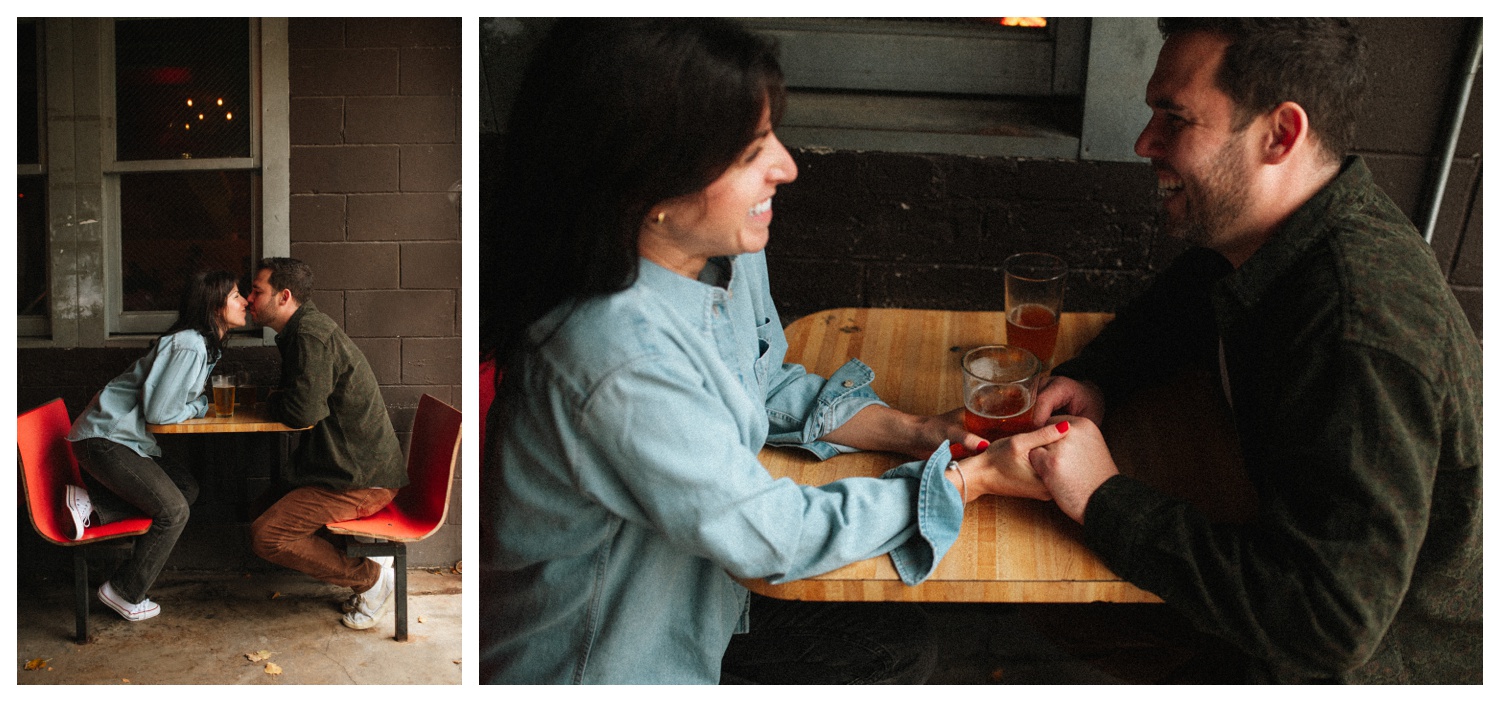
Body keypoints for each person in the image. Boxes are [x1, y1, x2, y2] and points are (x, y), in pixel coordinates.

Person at [480, 18, 1066, 684]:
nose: (786, 167)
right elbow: (772, 539)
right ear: (646, 182)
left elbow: (760, 381)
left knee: (893, 643)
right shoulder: (615, 356)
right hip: (611, 668)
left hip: (708, 600)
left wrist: (920, 432)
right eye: (748, 151)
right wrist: (969, 481)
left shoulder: (714, 256)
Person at [1027, 18, 1481, 683]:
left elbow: (1328, 623)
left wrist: (1103, 496)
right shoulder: (1279, 227)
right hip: (1276, 549)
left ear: (1280, 134)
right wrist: (1098, 376)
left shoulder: (1357, 326)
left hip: (1380, 665)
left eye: (1175, 119)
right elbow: (1188, 300)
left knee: (1072, 609)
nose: (1144, 141)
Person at [66, 270, 249, 621]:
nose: (245, 302)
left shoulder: (203, 345)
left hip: (118, 439)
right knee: (174, 511)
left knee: (185, 488)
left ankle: (94, 507)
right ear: (214, 305)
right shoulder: (191, 344)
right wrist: (200, 406)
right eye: (237, 295)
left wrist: (195, 404)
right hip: (104, 438)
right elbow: (161, 412)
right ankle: (123, 591)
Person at [245, 257, 409, 631]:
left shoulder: (310, 336)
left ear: (284, 297)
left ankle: (371, 579)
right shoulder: (301, 331)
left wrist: (273, 400)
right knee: (262, 507)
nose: (249, 299)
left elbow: (301, 411)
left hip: (359, 479)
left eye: (257, 291)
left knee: (267, 535)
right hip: (340, 469)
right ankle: (370, 568)